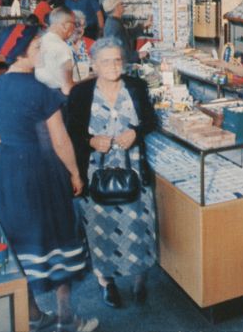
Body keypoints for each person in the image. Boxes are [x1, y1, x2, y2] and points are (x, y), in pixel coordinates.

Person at [0, 24, 98, 332]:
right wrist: (75, 173)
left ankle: (33, 315)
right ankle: (66, 317)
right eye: (35, 46)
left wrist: (14, 133)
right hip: (41, 169)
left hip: (5, 171)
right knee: (58, 235)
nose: (41, 50)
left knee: (19, 241)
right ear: (19, 52)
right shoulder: (40, 91)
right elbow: (60, 141)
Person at [66, 37, 158, 309]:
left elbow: (151, 120)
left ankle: (139, 281)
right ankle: (106, 283)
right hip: (96, 174)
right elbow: (71, 130)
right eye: (106, 61)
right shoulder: (81, 93)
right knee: (99, 229)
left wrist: (136, 132)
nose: (113, 65)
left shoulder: (137, 87)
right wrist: (91, 140)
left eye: (118, 59)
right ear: (93, 64)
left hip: (133, 171)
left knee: (139, 227)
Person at [36, 7, 77, 95]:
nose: (75, 28)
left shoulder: (39, 42)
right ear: (65, 25)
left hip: (39, 93)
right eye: (74, 24)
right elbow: (67, 88)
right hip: (57, 97)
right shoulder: (62, 48)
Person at [102, 0, 151, 64]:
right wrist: (138, 55)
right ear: (116, 8)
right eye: (121, 4)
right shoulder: (115, 25)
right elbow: (120, 53)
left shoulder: (113, 21)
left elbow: (127, 34)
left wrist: (143, 25)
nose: (123, 6)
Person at [68, 9, 95, 82]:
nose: (81, 30)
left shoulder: (92, 44)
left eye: (83, 26)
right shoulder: (61, 44)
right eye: (77, 25)